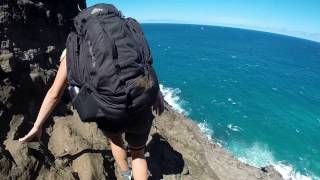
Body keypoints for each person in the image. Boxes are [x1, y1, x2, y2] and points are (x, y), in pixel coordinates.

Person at [19, 49, 165, 180]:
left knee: (116, 140)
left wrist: (37, 126)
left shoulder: (75, 45)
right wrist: (157, 93)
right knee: (138, 154)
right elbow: (146, 65)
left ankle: (127, 175)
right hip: (138, 103)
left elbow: (54, 94)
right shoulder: (126, 31)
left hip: (109, 109)